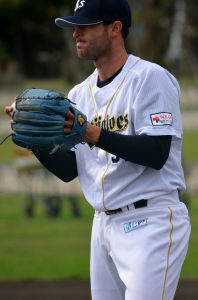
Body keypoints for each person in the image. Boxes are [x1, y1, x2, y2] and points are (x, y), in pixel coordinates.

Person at [5, 0, 191, 299]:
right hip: (102, 225)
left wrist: (93, 133)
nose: (76, 33)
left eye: (86, 25)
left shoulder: (150, 78)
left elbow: (157, 153)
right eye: (74, 26)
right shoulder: (79, 93)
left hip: (150, 221)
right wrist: (36, 143)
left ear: (115, 28)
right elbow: (69, 171)